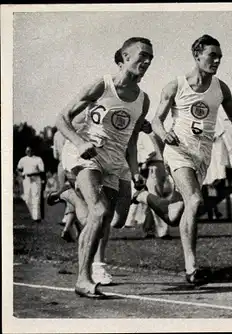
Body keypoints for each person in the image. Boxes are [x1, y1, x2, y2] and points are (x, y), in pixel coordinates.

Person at [144, 34, 232, 285]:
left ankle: (143, 197)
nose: (217, 60)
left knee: (175, 213)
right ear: (197, 55)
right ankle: (191, 268)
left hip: (203, 156)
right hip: (178, 150)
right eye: (213, 55)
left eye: (220, 56)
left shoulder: (221, 88)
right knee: (195, 200)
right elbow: (156, 120)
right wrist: (163, 133)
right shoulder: (175, 86)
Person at [53, 37, 153, 298]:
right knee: (99, 210)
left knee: (115, 220)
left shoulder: (143, 100)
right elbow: (61, 118)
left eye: (150, 58)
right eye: (142, 55)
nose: (147, 61)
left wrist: (134, 170)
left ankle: (71, 196)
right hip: (88, 155)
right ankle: (83, 279)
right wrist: (79, 140)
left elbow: (131, 140)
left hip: (115, 161)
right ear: (125, 57)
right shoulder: (102, 85)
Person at [16, 146, 45, 223]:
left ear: (33, 151)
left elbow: (42, 170)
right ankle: (32, 215)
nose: (28, 152)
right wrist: (21, 175)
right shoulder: (23, 159)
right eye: (27, 151)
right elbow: (18, 168)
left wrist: (33, 174)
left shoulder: (38, 159)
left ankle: (36, 217)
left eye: (30, 151)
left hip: (35, 179)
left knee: (36, 197)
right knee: (27, 197)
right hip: (27, 179)